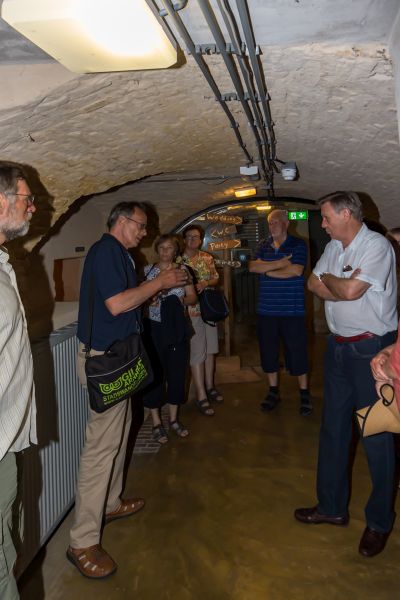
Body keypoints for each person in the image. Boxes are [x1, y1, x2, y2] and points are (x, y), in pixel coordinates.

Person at [68, 202, 189, 579]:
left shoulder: (121, 254)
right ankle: (81, 541)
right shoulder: (106, 251)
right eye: (140, 225)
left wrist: (152, 291)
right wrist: (160, 283)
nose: (144, 232)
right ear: (122, 221)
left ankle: (110, 502)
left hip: (118, 356)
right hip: (104, 360)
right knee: (100, 448)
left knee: (120, 434)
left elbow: (127, 301)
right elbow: (117, 304)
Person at [294, 191, 397, 558]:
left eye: (326, 218)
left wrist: (335, 283)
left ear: (346, 215)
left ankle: (379, 522)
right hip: (338, 348)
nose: (322, 224)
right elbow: (312, 283)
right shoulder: (334, 247)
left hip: (372, 351)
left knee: (376, 436)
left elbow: (351, 290)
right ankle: (332, 507)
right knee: (334, 430)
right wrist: (339, 282)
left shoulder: (376, 246)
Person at [0, 162, 37, 600]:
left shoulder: (4, 262)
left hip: (6, 440)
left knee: (8, 548)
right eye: (27, 198)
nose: (33, 206)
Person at [248, 209, 311, 416]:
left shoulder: (298, 244)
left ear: (286, 223)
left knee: (298, 351)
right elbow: (252, 267)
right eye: (270, 222)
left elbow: (296, 271)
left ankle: (304, 393)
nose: (272, 226)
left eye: (275, 222)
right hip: (267, 310)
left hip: (292, 310)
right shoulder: (263, 245)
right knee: (268, 352)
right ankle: (273, 391)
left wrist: (267, 271)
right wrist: (281, 263)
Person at [142, 234, 196, 444]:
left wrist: (179, 300)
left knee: (177, 372)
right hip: (153, 328)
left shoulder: (183, 270)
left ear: (176, 250)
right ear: (157, 249)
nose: (165, 251)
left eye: (170, 247)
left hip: (176, 327)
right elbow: (140, 299)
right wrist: (151, 300)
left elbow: (193, 297)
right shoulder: (147, 271)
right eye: (162, 247)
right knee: (155, 374)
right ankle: (156, 422)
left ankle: (174, 419)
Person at [182, 224, 222, 416]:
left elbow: (215, 277)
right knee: (198, 352)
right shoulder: (178, 260)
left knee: (211, 350)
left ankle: (210, 386)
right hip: (190, 312)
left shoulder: (207, 257)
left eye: (196, 237)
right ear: (184, 240)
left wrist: (206, 282)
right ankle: (201, 394)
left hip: (208, 310)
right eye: (189, 237)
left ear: (200, 239)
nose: (192, 240)